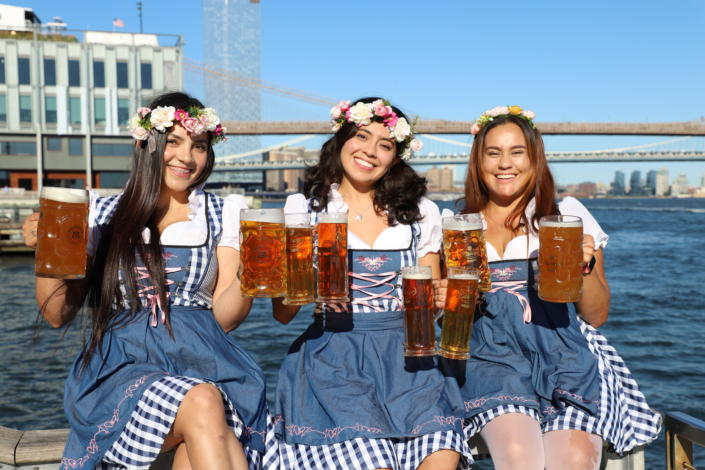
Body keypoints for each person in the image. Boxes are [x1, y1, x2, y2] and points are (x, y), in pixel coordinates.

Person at [23, 92, 275, 470]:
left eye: (200, 146)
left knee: (198, 440)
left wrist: (251, 270)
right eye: (174, 141)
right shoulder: (103, 214)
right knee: (205, 402)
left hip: (205, 361)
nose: (187, 158)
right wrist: (49, 250)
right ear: (148, 143)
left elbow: (224, 318)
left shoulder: (224, 215)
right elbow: (56, 314)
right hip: (122, 368)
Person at [435, 106, 661, 470]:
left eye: (517, 152)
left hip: (565, 356)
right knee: (520, 458)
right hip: (490, 360)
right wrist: (443, 302)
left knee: (572, 461)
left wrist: (581, 266)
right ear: (479, 163)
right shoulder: (457, 226)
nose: (504, 163)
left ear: (534, 159)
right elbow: (452, 322)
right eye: (493, 153)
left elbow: (596, 315)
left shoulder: (564, 215)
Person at [271, 98, 472, 470]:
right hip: (334, 359)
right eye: (362, 136)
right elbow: (283, 314)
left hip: (411, 360)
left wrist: (446, 298)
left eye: (385, 144)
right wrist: (301, 277)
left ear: (396, 157)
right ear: (342, 140)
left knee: (442, 459)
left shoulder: (420, 213)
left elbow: (428, 313)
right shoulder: (305, 210)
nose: (370, 151)